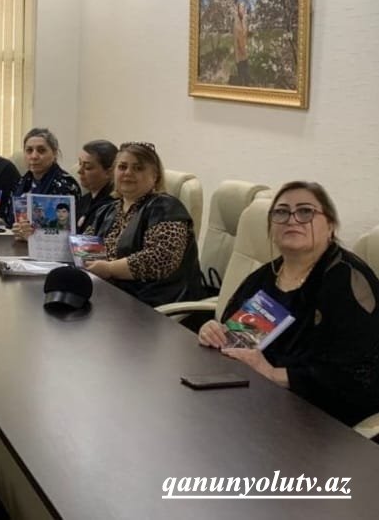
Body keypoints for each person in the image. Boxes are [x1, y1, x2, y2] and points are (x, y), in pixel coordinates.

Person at [198, 181, 379, 428]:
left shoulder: (349, 281)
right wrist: (215, 333)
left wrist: (274, 374)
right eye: (281, 212)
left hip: (323, 421)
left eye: (305, 211)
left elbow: (359, 377)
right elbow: (238, 339)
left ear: (330, 226)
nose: (292, 220)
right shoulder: (266, 276)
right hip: (255, 400)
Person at [82, 142, 203, 306]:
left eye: (138, 168)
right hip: (107, 295)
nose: (128, 173)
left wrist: (109, 269)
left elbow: (161, 259)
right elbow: (84, 248)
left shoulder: (166, 207)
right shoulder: (106, 210)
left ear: (155, 176)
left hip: (152, 303)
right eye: (122, 167)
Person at [10, 128, 81, 238]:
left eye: (41, 150)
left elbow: (64, 232)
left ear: (54, 153)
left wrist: (31, 236)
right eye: (29, 150)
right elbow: (10, 219)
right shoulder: (22, 182)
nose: (34, 156)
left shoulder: (66, 185)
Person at [76, 139, 118, 232]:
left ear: (109, 172)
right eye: (80, 164)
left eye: (88, 167)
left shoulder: (112, 206)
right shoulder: (83, 201)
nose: (79, 171)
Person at [232, 1, 250, 85]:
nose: (243, 10)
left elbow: (245, 34)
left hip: (244, 51)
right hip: (240, 52)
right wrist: (243, 50)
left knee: (245, 72)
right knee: (242, 72)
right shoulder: (237, 22)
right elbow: (239, 38)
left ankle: (246, 83)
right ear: (238, 9)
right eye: (241, 8)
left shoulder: (243, 20)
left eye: (244, 8)